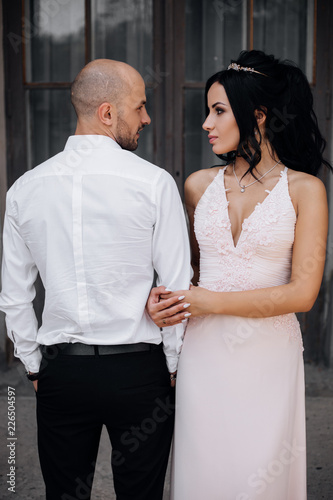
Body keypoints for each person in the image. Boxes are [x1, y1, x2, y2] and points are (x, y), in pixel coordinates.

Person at [0, 59, 191, 500]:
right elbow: (178, 285)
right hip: (140, 373)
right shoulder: (155, 183)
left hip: (62, 373)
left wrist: (33, 364)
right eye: (140, 107)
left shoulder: (25, 189)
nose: (147, 118)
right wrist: (175, 363)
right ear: (107, 113)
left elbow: (14, 297)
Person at [147, 50, 331, 500]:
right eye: (208, 112)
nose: (207, 123)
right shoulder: (196, 185)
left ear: (259, 115)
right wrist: (162, 301)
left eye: (218, 110)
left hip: (268, 355)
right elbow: (183, 274)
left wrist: (210, 302)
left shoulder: (305, 189)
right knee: (204, 468)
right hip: (203, 353)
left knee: (260, 472)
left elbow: (303, 294)